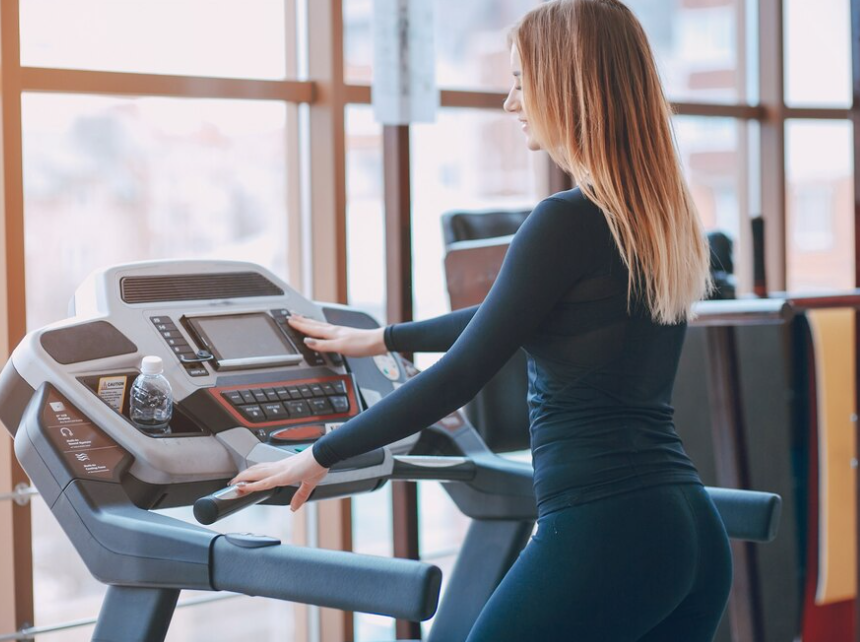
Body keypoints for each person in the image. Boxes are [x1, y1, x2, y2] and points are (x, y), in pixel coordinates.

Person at [231, 1, 732, 639]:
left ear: (566, 85)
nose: (510, 102)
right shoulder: (656, 219)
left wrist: (320, 454)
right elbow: (517, 314)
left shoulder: (565, 219)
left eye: (521, 81)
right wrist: (383, 337)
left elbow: (463, 372)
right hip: (687, 529)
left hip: (604, 529)